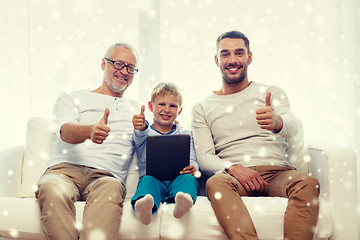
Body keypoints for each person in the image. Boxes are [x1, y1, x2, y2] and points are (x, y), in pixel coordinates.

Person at [191, 30, 320, 240]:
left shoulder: (271, 92)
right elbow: (205, 158)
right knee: (215, 183)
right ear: (216, 60)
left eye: (239, 53)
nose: (232, 60)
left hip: (277, 173)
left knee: (307, 182)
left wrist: (278, 122)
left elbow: (292, 124)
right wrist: (233, 168)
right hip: (235, 178)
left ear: (249, 57)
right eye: (225, 54)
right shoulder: (202, 108)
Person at [35, 43, 140, 240]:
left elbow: (148, 141)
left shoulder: (135, 108)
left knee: (112, 187)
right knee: (50, 187)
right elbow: (64, 131)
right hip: (64, 172)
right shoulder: (73, 97)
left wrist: (169, 126)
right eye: (118, 64)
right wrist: (89, 130)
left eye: (130, 68)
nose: (124, 71)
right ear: (103, 64)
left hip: (106, 177)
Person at [131, 82, 199, 225]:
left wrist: (193, 169)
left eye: (173, 106)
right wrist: (141, 126)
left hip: (178, 179)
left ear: (179, 111)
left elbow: (192, 158)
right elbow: (139, 133)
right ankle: (145, 205)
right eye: (162, 104)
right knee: (147, 181)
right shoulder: (144, 133)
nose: (167, 110)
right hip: (153, 180)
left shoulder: (186, 134)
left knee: (188, 179)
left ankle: (183, 201)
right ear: (151, 106)